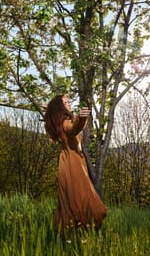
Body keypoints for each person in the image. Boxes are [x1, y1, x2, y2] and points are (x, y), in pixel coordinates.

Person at [44, 94, 107, 232]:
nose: (69, 104)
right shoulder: (66, 123)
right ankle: (85, 228)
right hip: (73, 164)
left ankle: (71, 231)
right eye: (65, 103)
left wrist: (49, 108)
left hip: (68, 162)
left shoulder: (60, 121)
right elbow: (73, 130)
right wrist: (82, 118)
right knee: (82, 199)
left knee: (70, 200)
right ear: (61, 107)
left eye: (69, 101)